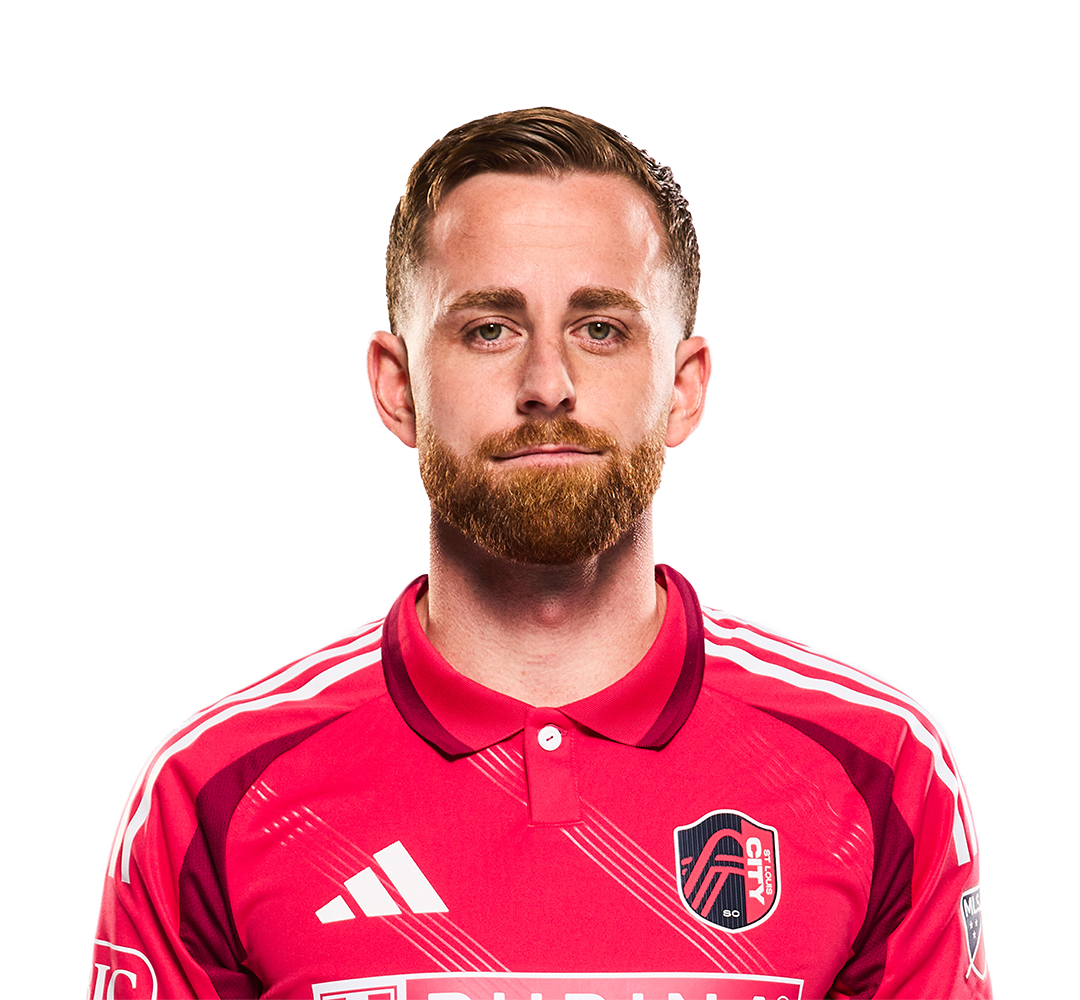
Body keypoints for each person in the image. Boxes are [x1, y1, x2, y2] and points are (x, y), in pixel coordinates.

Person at [90, 107, 991, 1000]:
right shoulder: (214, 794)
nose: (548, 385)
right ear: (398, 389)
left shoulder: (878, 775)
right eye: (490, 328)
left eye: (601, 328)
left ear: (682, 390)